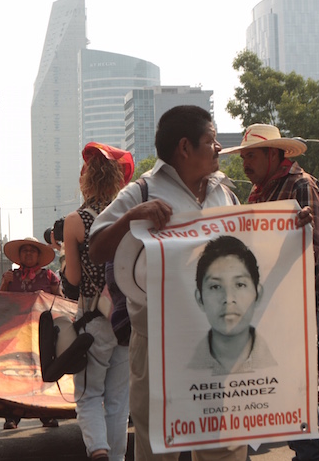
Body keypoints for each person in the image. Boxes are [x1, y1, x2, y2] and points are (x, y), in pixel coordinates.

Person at [88, 105, 246, 460]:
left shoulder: (225, 193)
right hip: (158, 346)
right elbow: (97, 250)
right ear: (185, 147)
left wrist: (293, 227)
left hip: (218, 343)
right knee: (160, 448)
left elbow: (252, 245)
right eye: (212, 140)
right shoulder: (140, 192)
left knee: (224, 447)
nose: (219, 147)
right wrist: (132, 217)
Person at [221, 123, 319, 461]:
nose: (244, 165)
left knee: (293, 402)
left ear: (273, 154)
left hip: (294, 311)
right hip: (270, 310)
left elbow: (314, 257)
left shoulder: (300, 186)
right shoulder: (263, 192)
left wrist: (316, 313)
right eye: (243, 158)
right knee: (283, 401)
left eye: (250, 156)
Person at [62, 142, 133, 461]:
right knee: (119, 400)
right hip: (127, 317)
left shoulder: (76, 221)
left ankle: (99, 450)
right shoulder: (130, 216)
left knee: (90, 394)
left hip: (94, 319)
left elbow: (74, 281)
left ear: (86, 179)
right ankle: (115, 457)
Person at [189, 236, 276, 375]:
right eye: (216, 286)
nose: (228, 299)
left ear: (258, 294)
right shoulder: (181, 369)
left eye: (240, 284)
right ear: (200, 299)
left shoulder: (283, 363)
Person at [0, 236, 61, 429]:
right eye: (24, 250)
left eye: (32, 251)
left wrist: (54, 292)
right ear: (19, 256)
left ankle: (47, 414)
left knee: (44, 371)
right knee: (14, 373)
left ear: (38, 255)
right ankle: (11, 417)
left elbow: (60, 301)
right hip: (16, 333)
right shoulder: (11, 276)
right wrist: (4, 284)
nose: (28, 253)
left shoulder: (49, 276)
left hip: (42, 333)